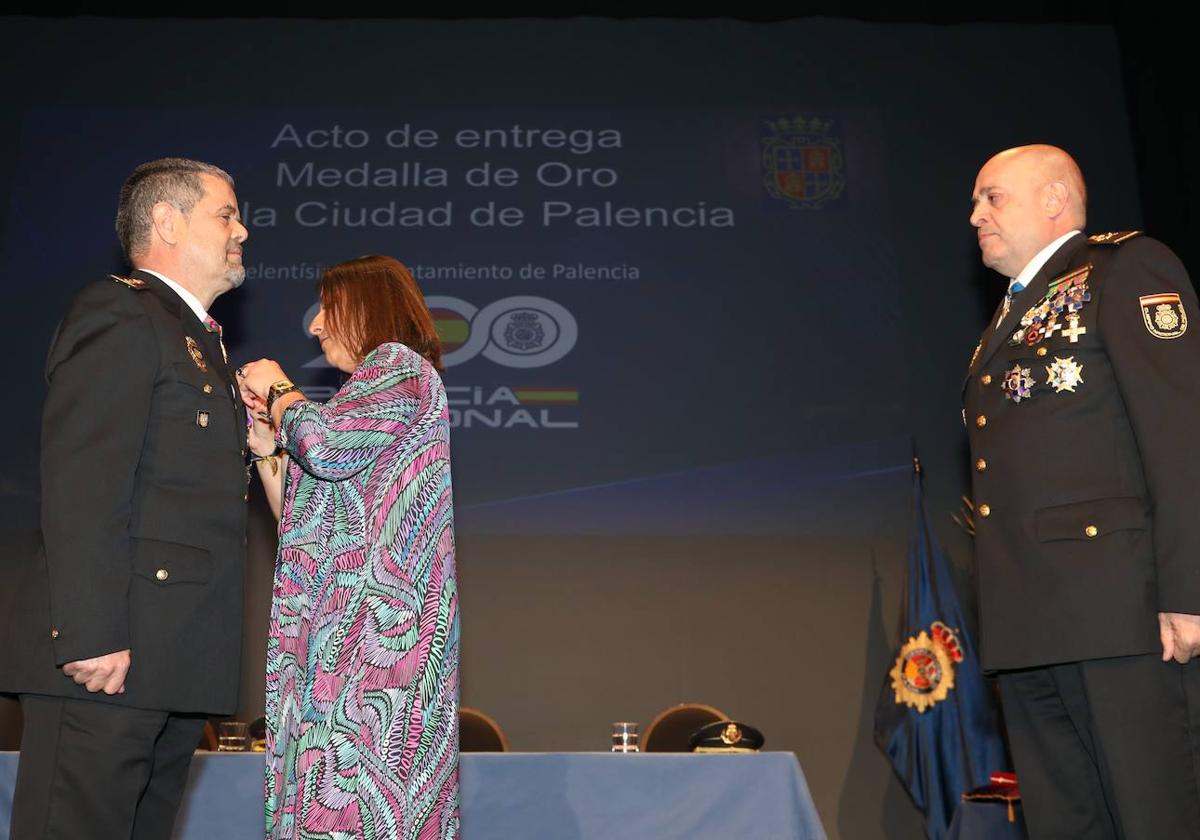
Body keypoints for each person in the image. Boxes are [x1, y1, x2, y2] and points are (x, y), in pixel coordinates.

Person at [0, 158, 250, 838]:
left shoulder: (198, 340)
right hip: (108, 657)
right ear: (167, 221)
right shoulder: (121, 310)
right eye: (225, 215)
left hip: (169, 659)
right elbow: (84, 479)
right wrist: (90, 631)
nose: (242, 231)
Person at [964, 144, 1200, 837]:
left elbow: (1181, 432)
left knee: (1153, 813)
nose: (976, 215)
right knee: (1067, 821)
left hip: (1122, 616)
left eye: (992, 197)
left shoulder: (1125, 270)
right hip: (1033, 619)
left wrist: (1189, 594)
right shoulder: (1005, 322)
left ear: (1055, 199)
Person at [237, 255, 460, 839]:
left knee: (358, 807)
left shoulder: (399, 369)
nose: (315, 327)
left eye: (327, 310)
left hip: (375, 648)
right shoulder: (360, 396)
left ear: (367, 307)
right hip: (338, 643)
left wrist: (279, 388)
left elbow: (327, 450)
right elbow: (303, 524)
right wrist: (266, 445)